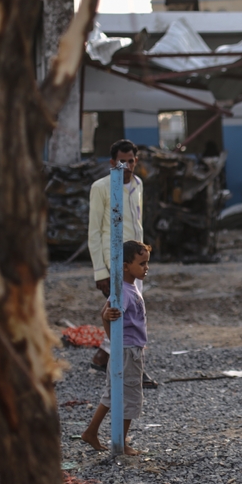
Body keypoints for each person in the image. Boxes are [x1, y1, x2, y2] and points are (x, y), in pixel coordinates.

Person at [87, 139, 155, 387]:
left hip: (136, 259)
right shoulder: (101, 187)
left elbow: (137, 221)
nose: (126, 165)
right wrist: (100, 271)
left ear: (136, 161)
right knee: (122, 311)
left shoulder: (138, 184)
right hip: (114, 259)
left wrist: (143, 255)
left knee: (134, 310)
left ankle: (105, 358)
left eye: (131, 160)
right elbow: (94, 231)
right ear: (112, 162)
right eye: (121, 161)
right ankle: (129, 367)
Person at [81, 240, 152, 456]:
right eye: (142, 263)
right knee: (129, 395)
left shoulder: (127, 288)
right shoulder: (124, 292)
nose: (146, 268)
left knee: (112, 394)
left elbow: (105, 312)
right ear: (126, 266)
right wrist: (115, 339)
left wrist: (113, 337)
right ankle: (120, 443)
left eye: (147, 263)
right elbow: (107, 314)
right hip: (127, 352)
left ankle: (91, 432)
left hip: (126, 349)